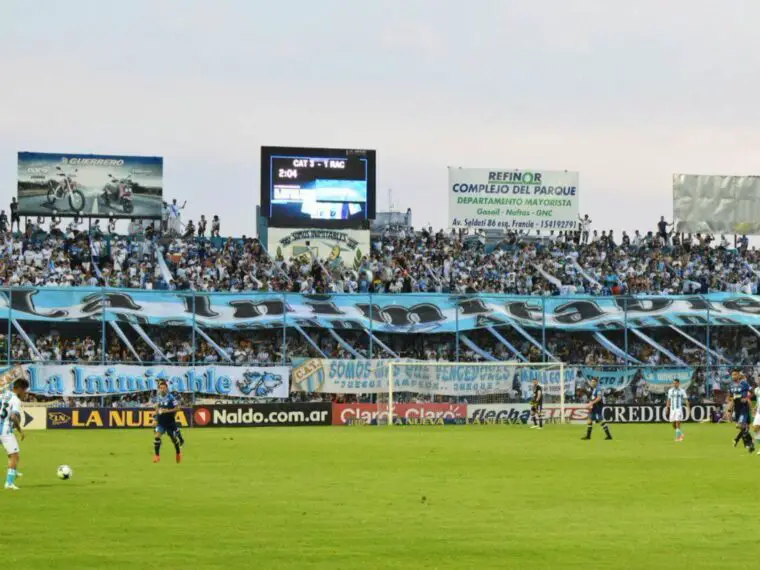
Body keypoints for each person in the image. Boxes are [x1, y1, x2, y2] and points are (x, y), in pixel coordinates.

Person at [1, 378, 29, 491]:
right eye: (25, 391)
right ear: (20, 389)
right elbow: (13, 417)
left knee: (11, 453)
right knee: (14, 455)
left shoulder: (3, 394)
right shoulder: (15, 400)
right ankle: (9, 483)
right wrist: (20, 430)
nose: (25, 393)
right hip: (4, 430)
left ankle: (13, 471)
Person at [152, 380, 184, 463]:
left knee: (173, 439)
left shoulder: (171, 397)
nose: (162, 389)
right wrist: (155, 419)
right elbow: (157, 407)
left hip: (170, 422)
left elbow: (178, 408)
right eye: (161, 388)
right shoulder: (158, 397)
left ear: (166, 388)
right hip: (161, 422)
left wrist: (168, 411)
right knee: (157, 436)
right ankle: (157, 456)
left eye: (163, 388)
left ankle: (178, 453)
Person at [727, 369, 754, 453]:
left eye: (735, 375)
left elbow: (752, 392)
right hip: (737, 408)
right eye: (732, 375)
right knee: (744, 427)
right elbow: (731, 399)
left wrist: (747, 398)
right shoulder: (731, 386)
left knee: (740, 425)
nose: (733, 376)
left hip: (744, 408)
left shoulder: (744, 384)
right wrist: (729, 411)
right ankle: (749, 444)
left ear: (738, 375)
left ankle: (746, 443)